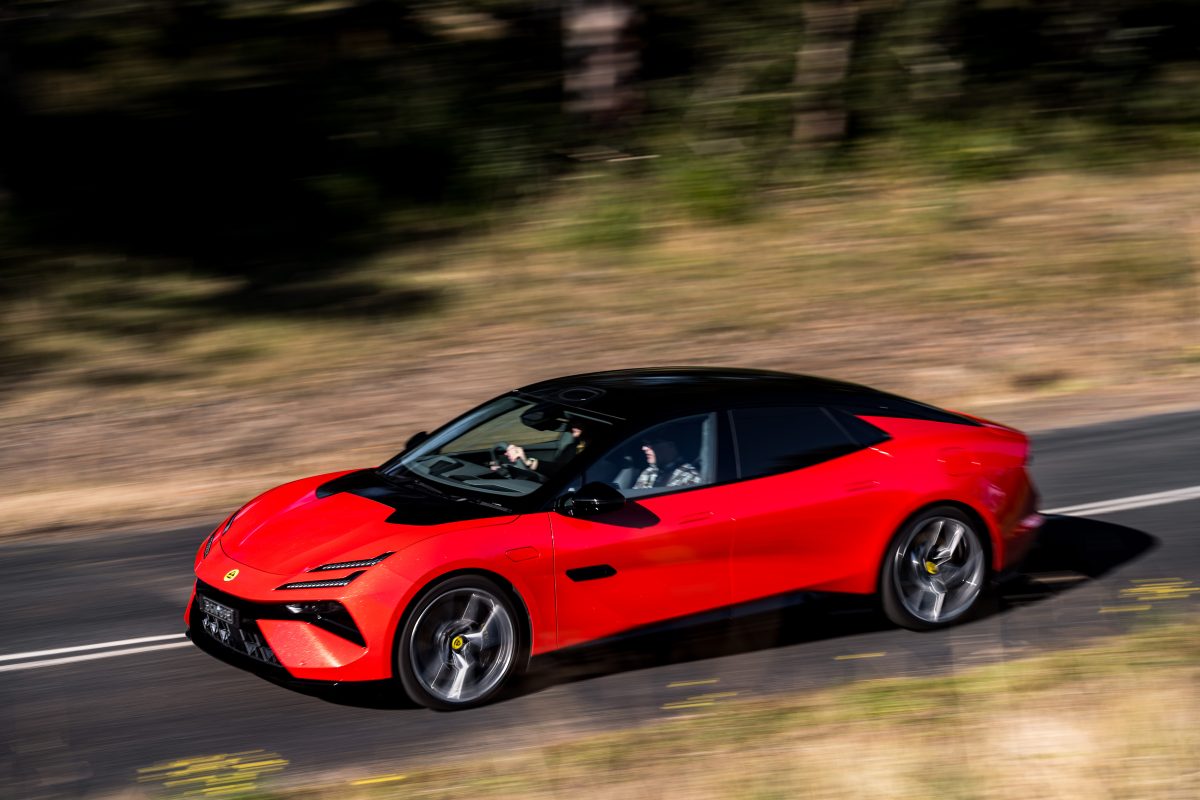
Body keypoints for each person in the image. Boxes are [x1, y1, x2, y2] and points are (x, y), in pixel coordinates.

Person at [503, 424, 586, 474]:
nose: (574, 435)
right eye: (573, 429)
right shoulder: (573, 447)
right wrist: (527, 461)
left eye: (579, 427)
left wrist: (527, 462)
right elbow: (557, 469)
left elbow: (562, 472)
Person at [633, 438, 700, 489]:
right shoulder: (648, 472)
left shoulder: (690, 476)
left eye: (651, 443)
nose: (644, 448)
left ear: (671, 445)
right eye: (644, 444)